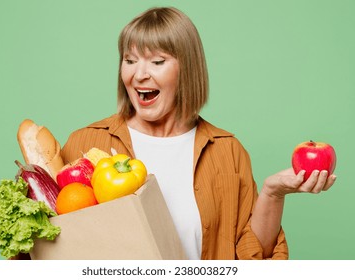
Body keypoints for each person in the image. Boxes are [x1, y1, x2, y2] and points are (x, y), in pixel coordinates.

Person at [61, 7, 336, 260]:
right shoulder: (85, 144)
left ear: (188, 69)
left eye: (157, 61)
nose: (139, 74)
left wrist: (273, 193)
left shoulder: (227, 152)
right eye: (130, 60)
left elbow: (254, 259)